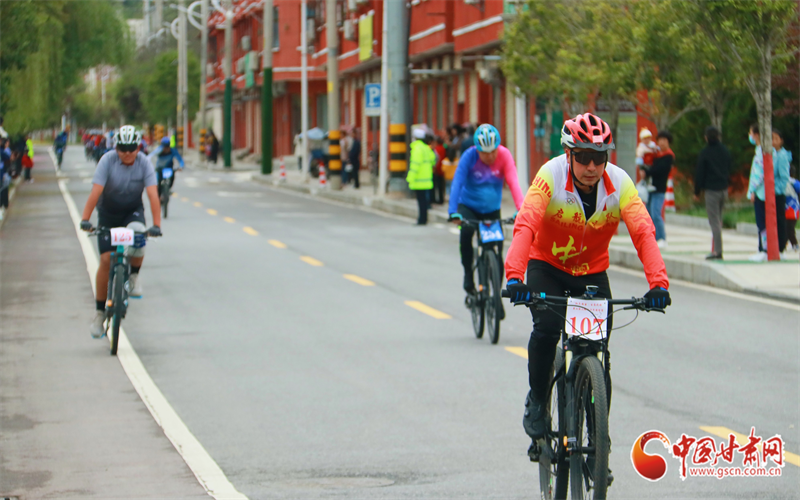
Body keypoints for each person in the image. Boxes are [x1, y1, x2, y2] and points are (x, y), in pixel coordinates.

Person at [504, 113, 669, 448]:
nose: (592, 166)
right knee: (547, 328)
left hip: (591, 272)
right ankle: (538, 399)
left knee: (598, 352)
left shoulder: (620, 183)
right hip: (547, 265)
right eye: (583, 157)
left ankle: (598, 441)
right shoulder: (550, 175)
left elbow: (643, 232)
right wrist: (515, 277)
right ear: (569, 154)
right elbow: (526, 224)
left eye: (599, 157)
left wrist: (658, 284)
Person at [80, 126, 161, 338]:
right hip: (108, 213)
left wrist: (157, 225)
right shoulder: (107, 161)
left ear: (138, 148)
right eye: (122, 148)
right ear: (116, 148)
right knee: (106, 260)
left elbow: (153, 195)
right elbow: (96, 191)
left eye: (131, 148)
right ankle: (99, 313)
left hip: (132, 212)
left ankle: (133, 276)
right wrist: (85, 219)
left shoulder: (144, 163)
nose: (127, 153)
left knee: (139, 234)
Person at [448, 124, 525, 295]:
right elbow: (457, 182)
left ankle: (496, 294)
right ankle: (468, 274)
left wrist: (521, 209)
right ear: (477, 149)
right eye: (485, 152)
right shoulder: (469, 156)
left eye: (493, 151)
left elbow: (513, 182)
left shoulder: (504, 155)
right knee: (466, 232)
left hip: (492, 209)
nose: (490, 156)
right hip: (469, 206)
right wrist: (453, 211)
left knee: (497, 248)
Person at [747, 124, 789, 260]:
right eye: (771, 138)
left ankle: (776, 249)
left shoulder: (777, 155)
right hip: (765, 193)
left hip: (773, 193)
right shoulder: (764, 151)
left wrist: (770, 190)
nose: (773, 141)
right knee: (763, 222)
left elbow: (781, 177)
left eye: (776, 138)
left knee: (777, 222)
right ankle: (764, 248)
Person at [694, 126, 731, 260]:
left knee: (714, 221)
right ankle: (715, 248)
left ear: (706, 138)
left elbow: (700, 173)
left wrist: (697, 191)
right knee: (718, 219)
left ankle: (717, 251)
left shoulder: (705, 153)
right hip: (723, 189)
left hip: (711, 191)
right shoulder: (725, 151)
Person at [641, 131, 673, 248]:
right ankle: (651, 238)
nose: (662, 142)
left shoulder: (669, 156)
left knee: (656, 214)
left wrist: (647, 171)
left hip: (659, 189)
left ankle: (662, 238)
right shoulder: (655, 153)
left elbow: (659, 170)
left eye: (664, 140)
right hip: (650, 188)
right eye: (660, 140)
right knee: (648, 214)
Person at [407, 127, 435, 225]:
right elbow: (433, 159)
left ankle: (421, 220)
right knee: (424, 201)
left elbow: (415, 165)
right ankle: (424, 218)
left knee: (421, 201)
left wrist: (410, 178)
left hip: (419, 180)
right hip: (427, 179)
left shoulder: (417, 148)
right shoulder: (426, 148)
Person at [785, 164, 800, 252]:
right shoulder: (792, 182)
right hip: (789, 208)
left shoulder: (792, 182)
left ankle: (794, 244)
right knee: (787, 227)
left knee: (789, 228)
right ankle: (786, 244)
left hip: (792, 208)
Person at [431, 136, 446, 204]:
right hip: (443, 169)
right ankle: (441, 199)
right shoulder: (444, 148)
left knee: (435, 186)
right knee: (441, 187)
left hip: (437, 170)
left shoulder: (436, 149)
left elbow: (436, 159)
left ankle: (434, 199)